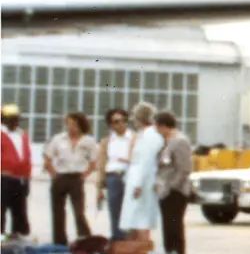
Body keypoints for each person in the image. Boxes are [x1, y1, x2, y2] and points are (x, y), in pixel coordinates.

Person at [44, 111, 99, 244]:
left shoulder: (88, 141)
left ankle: (85, 238)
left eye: (74, 124)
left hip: (76, 178)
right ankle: (59, 241)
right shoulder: (58, 139)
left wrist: (84, 175)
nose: (71, 127)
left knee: (79, 211)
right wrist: (54, 175)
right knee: (58, 211)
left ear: (81, 125)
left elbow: (93, 162)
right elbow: (48, 157)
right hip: (61, 176)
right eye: (68, 124)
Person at [154, 112, 194, 254]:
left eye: (157, 127)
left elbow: (184, 168)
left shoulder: (180, 142)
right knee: (167, 227)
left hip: (176, 191)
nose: (156, 130)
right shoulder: (166, 142)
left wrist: (172, 187)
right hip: (164, 191)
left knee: (174, 227)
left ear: (164, 126)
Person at [119, 102, 163, 242]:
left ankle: (142, 253)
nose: (133, 120)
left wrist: (138, 184)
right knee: (134, 219)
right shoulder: (143, 134)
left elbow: (146, 161)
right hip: (137, 180)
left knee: (141, 220)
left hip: (142, 183)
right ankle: (135, 253)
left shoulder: (150, 135)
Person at [95, 107, 138, 235]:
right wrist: (99, 188)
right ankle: (118, 242)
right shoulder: (106, 141)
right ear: (110, 124)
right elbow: (101, 165)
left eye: (124, 120)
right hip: (113, 177)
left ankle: (132, 245)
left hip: (131, 177)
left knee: (132, 212)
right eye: (116, 121)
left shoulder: (135, 138)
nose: (121, 124)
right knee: (115, 212)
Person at [1, 104, 32, 238]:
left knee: (19, 209)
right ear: (4, 119)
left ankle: (17, 236)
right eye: (12, 119)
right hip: (3, 178)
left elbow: (27, 155)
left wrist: (27, 177)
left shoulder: (22, 135)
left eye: (16, 119)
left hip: (21, 178)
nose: (15, 122)